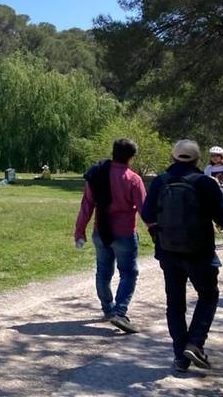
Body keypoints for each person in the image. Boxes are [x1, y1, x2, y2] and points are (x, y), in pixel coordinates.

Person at [141, 139, 223, 373]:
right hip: (200, 252)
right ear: (197, 159)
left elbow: (147, 212)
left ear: (173, 157)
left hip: (168, 252)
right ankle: (195, 343)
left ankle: (181, 355)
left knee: (175, 303)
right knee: (208, 295)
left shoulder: (161, 181)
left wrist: (156, 233)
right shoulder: (205, 182)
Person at [74, 138, 146, 334]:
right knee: (129, 273)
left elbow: (86, 206)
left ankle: (108, 308)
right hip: (124, 233)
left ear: (113, 152)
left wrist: (79, 232)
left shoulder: (96, 175)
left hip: (101, 231)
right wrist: (155, 229)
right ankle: (120, 312)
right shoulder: (133, 179)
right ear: (131, 157)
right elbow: (144, 209)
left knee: (103, 272)